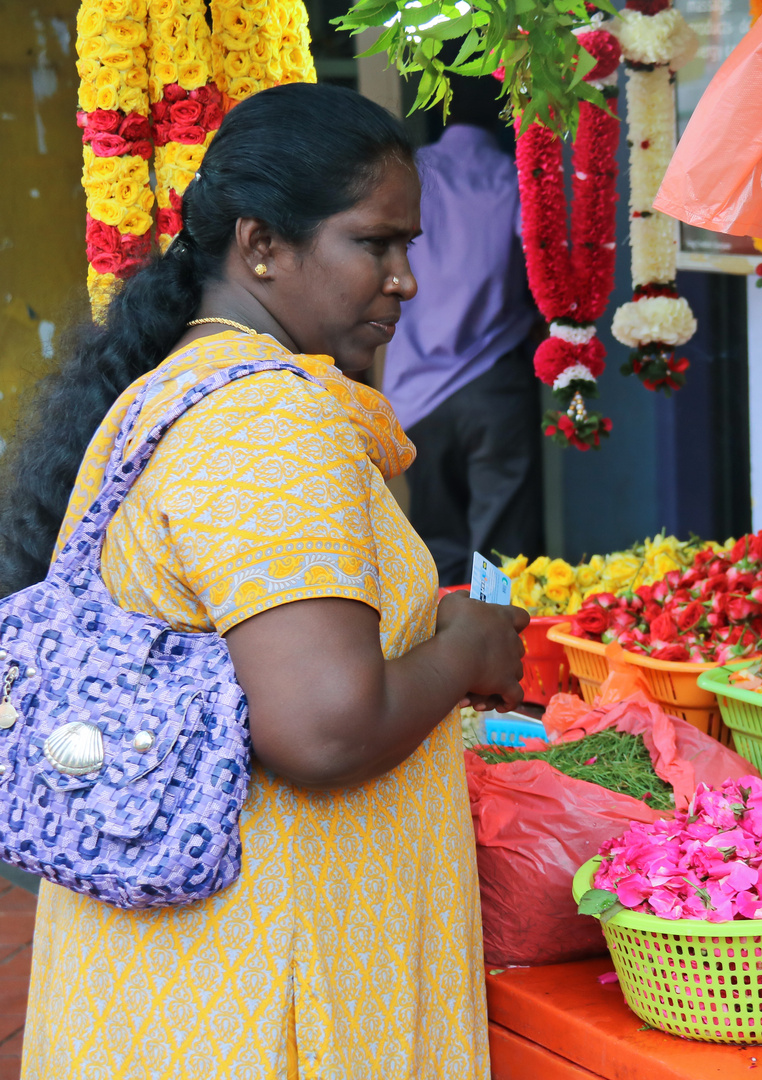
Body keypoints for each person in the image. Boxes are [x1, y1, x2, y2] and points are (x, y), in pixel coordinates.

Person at [0, 83, 526, 1077]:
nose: (406, 279)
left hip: (186, 981)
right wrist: (463, 649)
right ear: (262, 245)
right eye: (375, 244)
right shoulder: (264, 424)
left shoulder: (181, 390)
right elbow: (323, 726)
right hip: (253, 996)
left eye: (408, 246)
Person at [383, 74, 543, 587]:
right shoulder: (513, 178)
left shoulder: (408, 176)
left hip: (418, 392)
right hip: (494, 378)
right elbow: (537, 267)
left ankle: (450, 653)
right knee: (503, 548)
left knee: (437, 539)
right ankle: (506, 658)